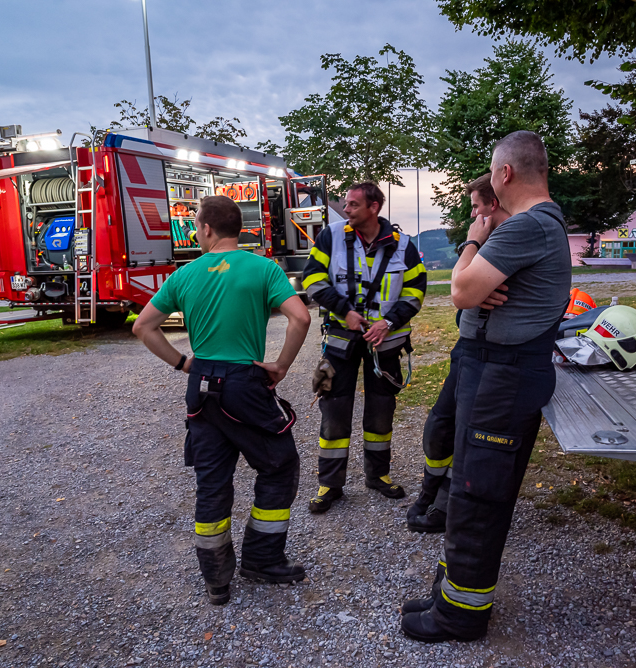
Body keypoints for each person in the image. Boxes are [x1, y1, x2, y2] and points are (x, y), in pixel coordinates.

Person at [400, 131, 572, 642]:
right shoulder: (534, 225)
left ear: (504, 174)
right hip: (494, 371)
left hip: (505, 375)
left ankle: (461, 616)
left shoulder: (528, 225)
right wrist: (476, 283)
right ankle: (450, 591)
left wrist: (473, 244)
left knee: (480, 494)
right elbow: (471, 294)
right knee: (469, 484)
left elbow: (460, 290)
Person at [132, 195, 312, 606]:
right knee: (279, 465)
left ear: (207, 228)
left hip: (202, 385)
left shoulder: (185, 274)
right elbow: (301, 318)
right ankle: (262, 559)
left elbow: (144, 327)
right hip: (245, 383)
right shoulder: (263, 268)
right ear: (239, 229)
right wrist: (281, 365)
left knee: (212, 482)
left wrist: (183, 363)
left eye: (197, 225)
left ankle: (216, 579)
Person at [301, 182, 427, 513]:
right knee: (334, 411)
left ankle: (378, 476)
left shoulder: (403, 246)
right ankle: (330, 484)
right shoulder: (330, 237)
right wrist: (344, 310)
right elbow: (311, 279)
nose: (346, 209)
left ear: (374, 207)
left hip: (385, 342)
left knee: (381, 410)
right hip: (341, 340)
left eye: (353, 204)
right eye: (346, 203)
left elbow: (416, 291)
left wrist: (389, 322)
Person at [406, 173, 511, 534]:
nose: (472, 215)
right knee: (439, 427)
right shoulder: (491, 244)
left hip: (490, 358)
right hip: (467, 349)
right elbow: (463, 299)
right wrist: (471, 294)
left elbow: (461, 292)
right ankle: (430, 492)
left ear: (492, 205)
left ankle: (446, 506)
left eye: (476, 207)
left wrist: (471, 244)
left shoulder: (502, 242)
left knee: (467, 437)